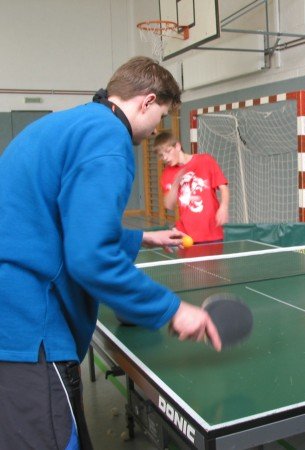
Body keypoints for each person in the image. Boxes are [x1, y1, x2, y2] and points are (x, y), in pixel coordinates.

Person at [0, 56, 221, 450]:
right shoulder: (109, 140)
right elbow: (90, 257)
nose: (155, 130)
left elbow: (58, 222)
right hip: (31, 326)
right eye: (161, 116)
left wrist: (141, 239)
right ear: (147, 101)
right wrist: (171, 310)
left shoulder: (74, 124)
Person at [154, 131, 229, 243]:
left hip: (213, 232)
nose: (165, 157)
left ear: (177, 146)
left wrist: (224, 207)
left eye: (168, 151)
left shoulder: (206, 160)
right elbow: (169, 205)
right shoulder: (166, 174)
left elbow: (223, 187)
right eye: (161, 155)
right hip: (186, 235)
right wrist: (176, 183)